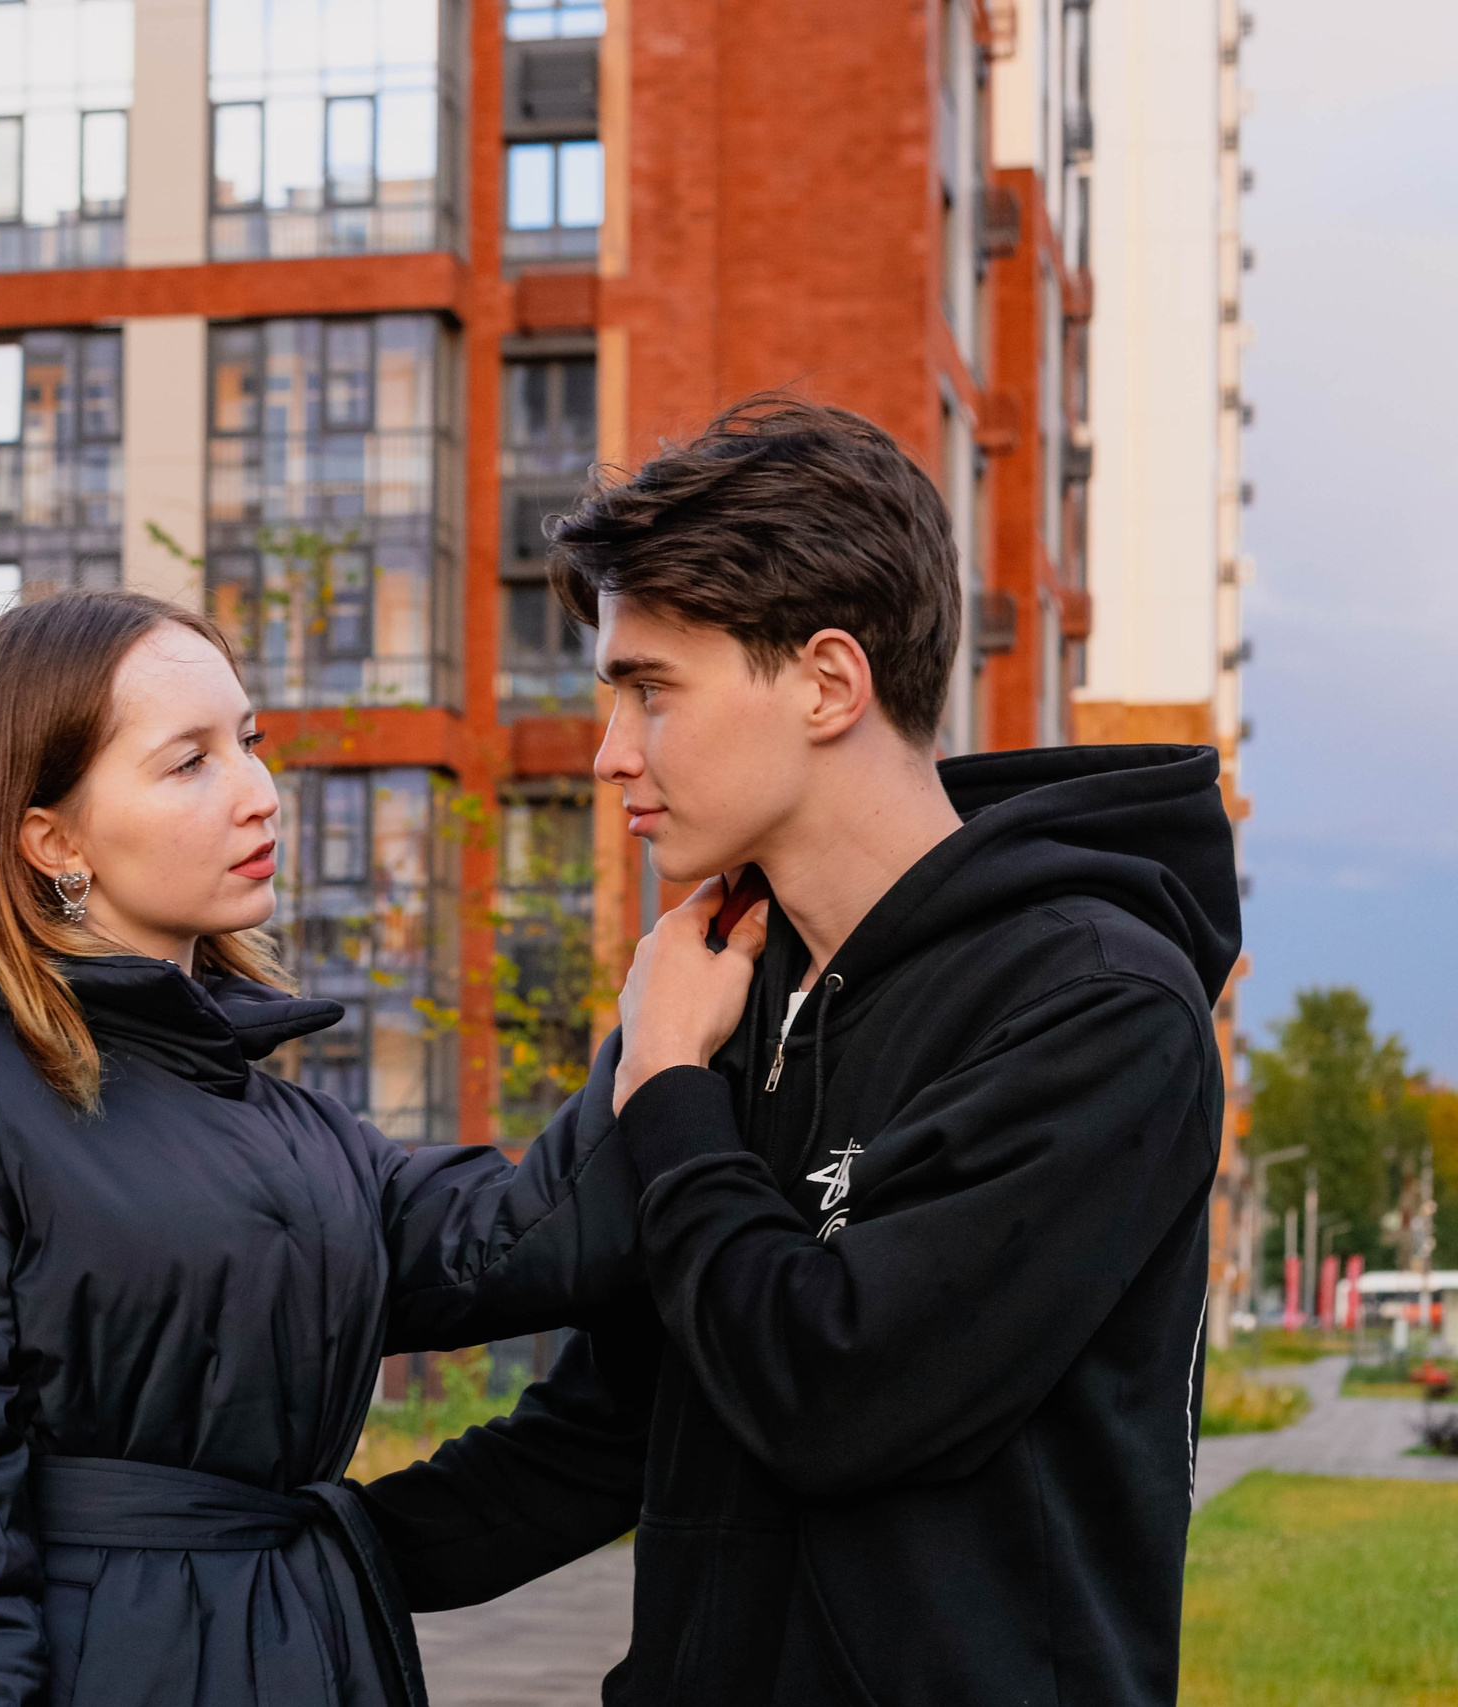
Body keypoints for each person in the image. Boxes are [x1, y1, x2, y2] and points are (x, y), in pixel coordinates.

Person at [358, 396, 1241, 1706]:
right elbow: (613, 1424)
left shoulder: (1096, 1004)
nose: (610, 756)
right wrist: (287, 1559)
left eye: (650, 691)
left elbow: (837, 1388)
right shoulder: (727, 989)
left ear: (829, 680)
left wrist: (664, 1088)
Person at [0, 590, 643, 1706]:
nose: (259, 793)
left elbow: (515, 1234)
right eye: (188, 762)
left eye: (249, 743)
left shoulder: (282, 1122)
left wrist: (668, 1044)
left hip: (311, 1656)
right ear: (52, 839)